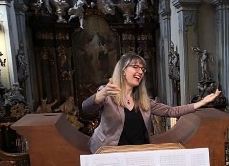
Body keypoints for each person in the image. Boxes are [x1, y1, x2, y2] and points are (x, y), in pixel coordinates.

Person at [82, 52, 220, 153]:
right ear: (123, 70)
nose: (140, 72)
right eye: (136, 67)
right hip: (109, 151)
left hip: (139, 151)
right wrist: (100, 95)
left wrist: (201, 102)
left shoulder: (144, 101)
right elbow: (86, 108)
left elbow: (171, 111)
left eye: (142, 69)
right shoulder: (107, 93)